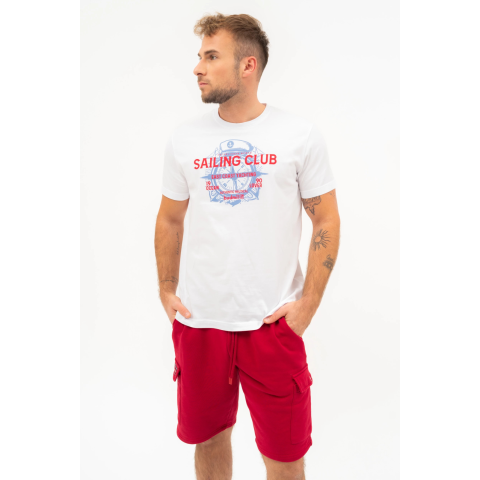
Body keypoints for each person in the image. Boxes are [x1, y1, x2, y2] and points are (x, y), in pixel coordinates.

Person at [154, 12, 340, 480]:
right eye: (199, 56)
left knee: (285, 455)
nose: (197, 67)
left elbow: (326, 218)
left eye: (211, 56)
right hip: (201, 323)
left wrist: (308, 305)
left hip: (271, 325)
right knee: (208, 440)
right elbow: (170, 218)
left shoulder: (298, 136)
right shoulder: (184, 139)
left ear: (248, 65)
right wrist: (167, 288)